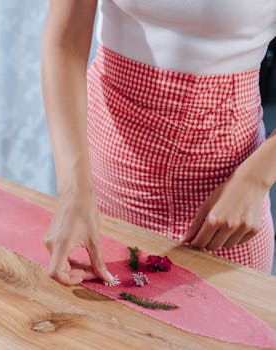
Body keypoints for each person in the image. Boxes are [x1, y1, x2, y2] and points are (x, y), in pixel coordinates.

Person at [41, 0, 276, 286]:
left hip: (227, 204)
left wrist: (255, 179)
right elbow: (64, 44)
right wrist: (73, 189)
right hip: (102, 184)